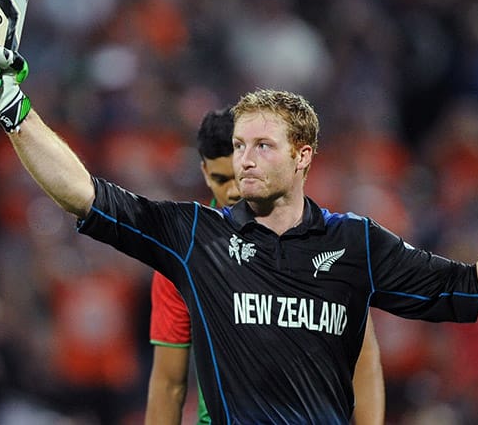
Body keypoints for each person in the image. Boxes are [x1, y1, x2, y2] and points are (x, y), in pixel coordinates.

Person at [0, 48, 478, 424]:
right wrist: (16, 112)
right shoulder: (194, 237)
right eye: (238, 145)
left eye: (261, 145)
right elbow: (83, 192)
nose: (242, 159)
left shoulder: (356, 245)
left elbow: (472, 291)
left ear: (302, 157)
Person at [145, 108, 385, 424]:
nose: (233, 191)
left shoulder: (324, 240)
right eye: (220, 179)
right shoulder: (184, 254)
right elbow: (168, 383)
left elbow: (363, 361)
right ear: (204, 172)